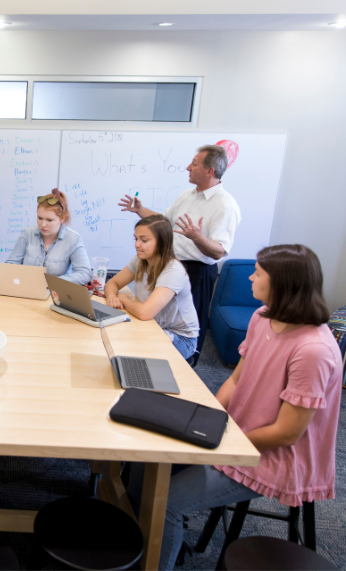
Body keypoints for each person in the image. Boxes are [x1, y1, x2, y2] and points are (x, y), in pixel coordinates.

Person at [127, 244, 341, 571]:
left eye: (258, 272)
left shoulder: (314, 350)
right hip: (234, 432)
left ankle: (158, 558)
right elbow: (237, 380)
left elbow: (287, 433)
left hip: (270, 456)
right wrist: (203, 419)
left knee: (167, 501)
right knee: (146, 458)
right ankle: (144, 540)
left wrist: (224, 442)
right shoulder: (262, 317)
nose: (251, 277)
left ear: (283, 284)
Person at [119, 145, 240, 360]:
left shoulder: (225, 205)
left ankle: (185, 368)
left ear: (210, 170)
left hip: (197, 270)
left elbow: (220, 252)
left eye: (194, 164)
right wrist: (140, 210)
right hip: (169, 262)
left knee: (188, 324)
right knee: (160, 315)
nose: (187, 167)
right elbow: (163, 222)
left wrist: (197, 237)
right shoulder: (188, 195)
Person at [104, 215, 199, 360]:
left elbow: (144, 313)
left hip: (180, 338)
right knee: (115, 335)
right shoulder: (140, 259)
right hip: (153, 324)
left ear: (162, 242)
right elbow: (113, 283)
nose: (137, 244)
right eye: (136, 239)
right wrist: (111, 297)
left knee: (127, 347)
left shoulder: (173, 271)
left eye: (144, 240)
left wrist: (123, 298)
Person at [6, 188, 91, 285]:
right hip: (26, 289)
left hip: (57, 293)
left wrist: (51, 282)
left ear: (62, 219)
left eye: (49, 220)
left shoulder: (73, 239)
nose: (43, 224)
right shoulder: (27, 233)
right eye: (40, 218)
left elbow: (84, 274)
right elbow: (11, 264)